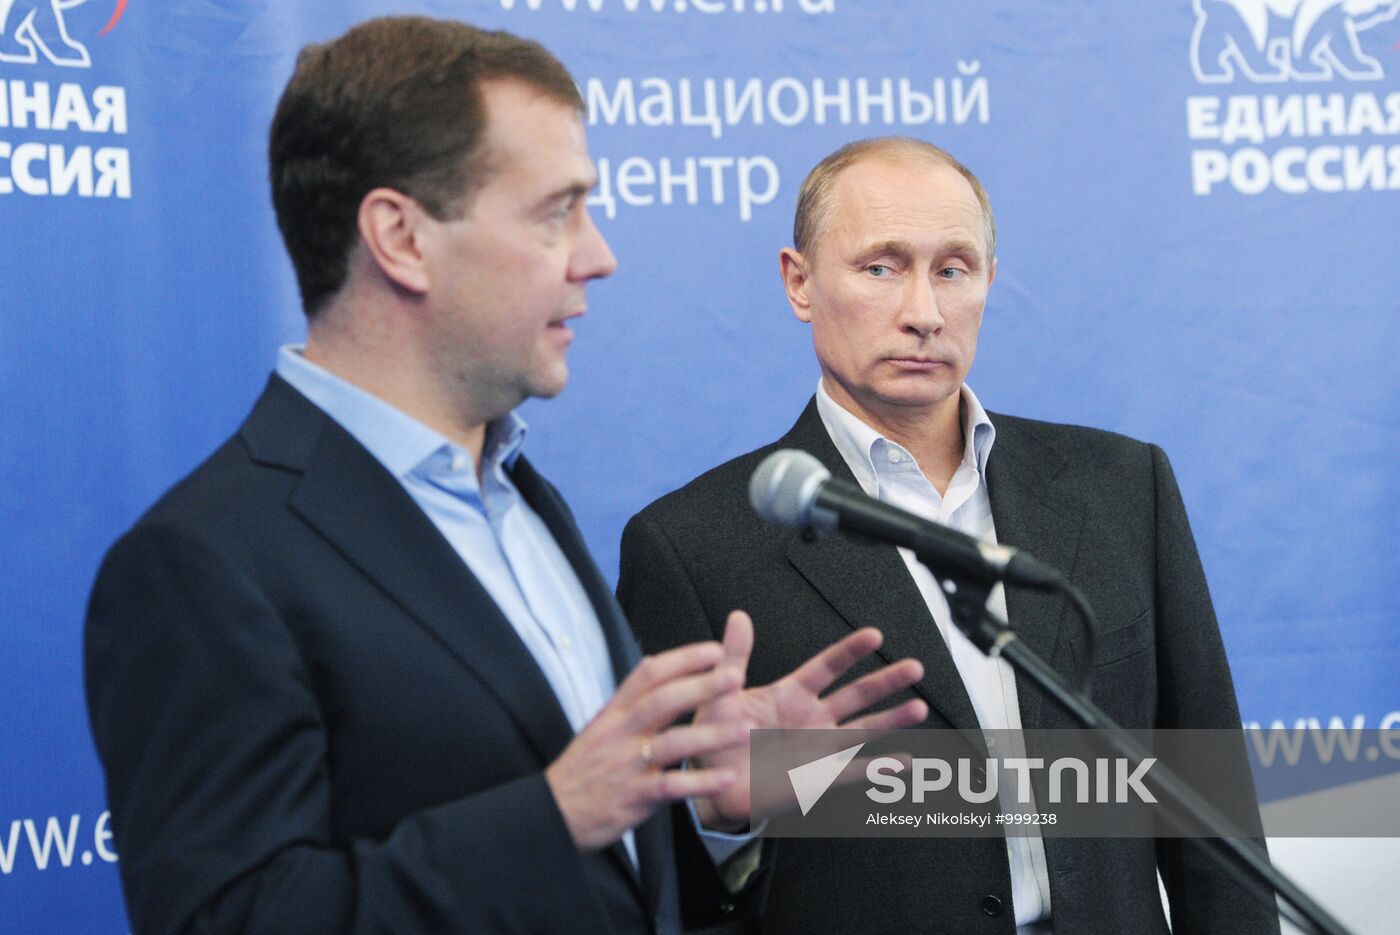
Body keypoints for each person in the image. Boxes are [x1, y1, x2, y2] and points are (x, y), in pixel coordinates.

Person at [83, 21, 929, 935]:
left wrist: (705, 796)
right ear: (400, 237)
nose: (598, 254)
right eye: (555, 211)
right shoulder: (203, 561)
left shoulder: (524, 501)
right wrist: (557, 812)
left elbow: (616, 879)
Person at [617, 137, 1281, 934]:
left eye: (953, 269)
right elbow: (672, 877)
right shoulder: (690, 547)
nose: (924, 313)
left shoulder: (1123, 487)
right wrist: (729, 820)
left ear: (989, 281)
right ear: (799, 282)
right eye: (881, 267)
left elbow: (1214, 821)